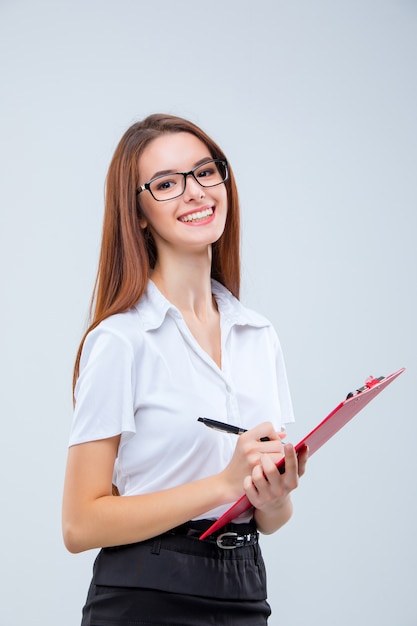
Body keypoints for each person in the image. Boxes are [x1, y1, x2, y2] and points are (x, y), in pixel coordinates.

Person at [62, 113, 308, 625]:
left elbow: (271, 520)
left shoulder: (258, 335)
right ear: (140, 215)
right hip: (146, 595)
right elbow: (79, 523)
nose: (195, 192)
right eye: (168, 184)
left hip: (243, 586)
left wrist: (274, 494)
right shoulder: (120, 340)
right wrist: (223, 484)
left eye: (205, 172)